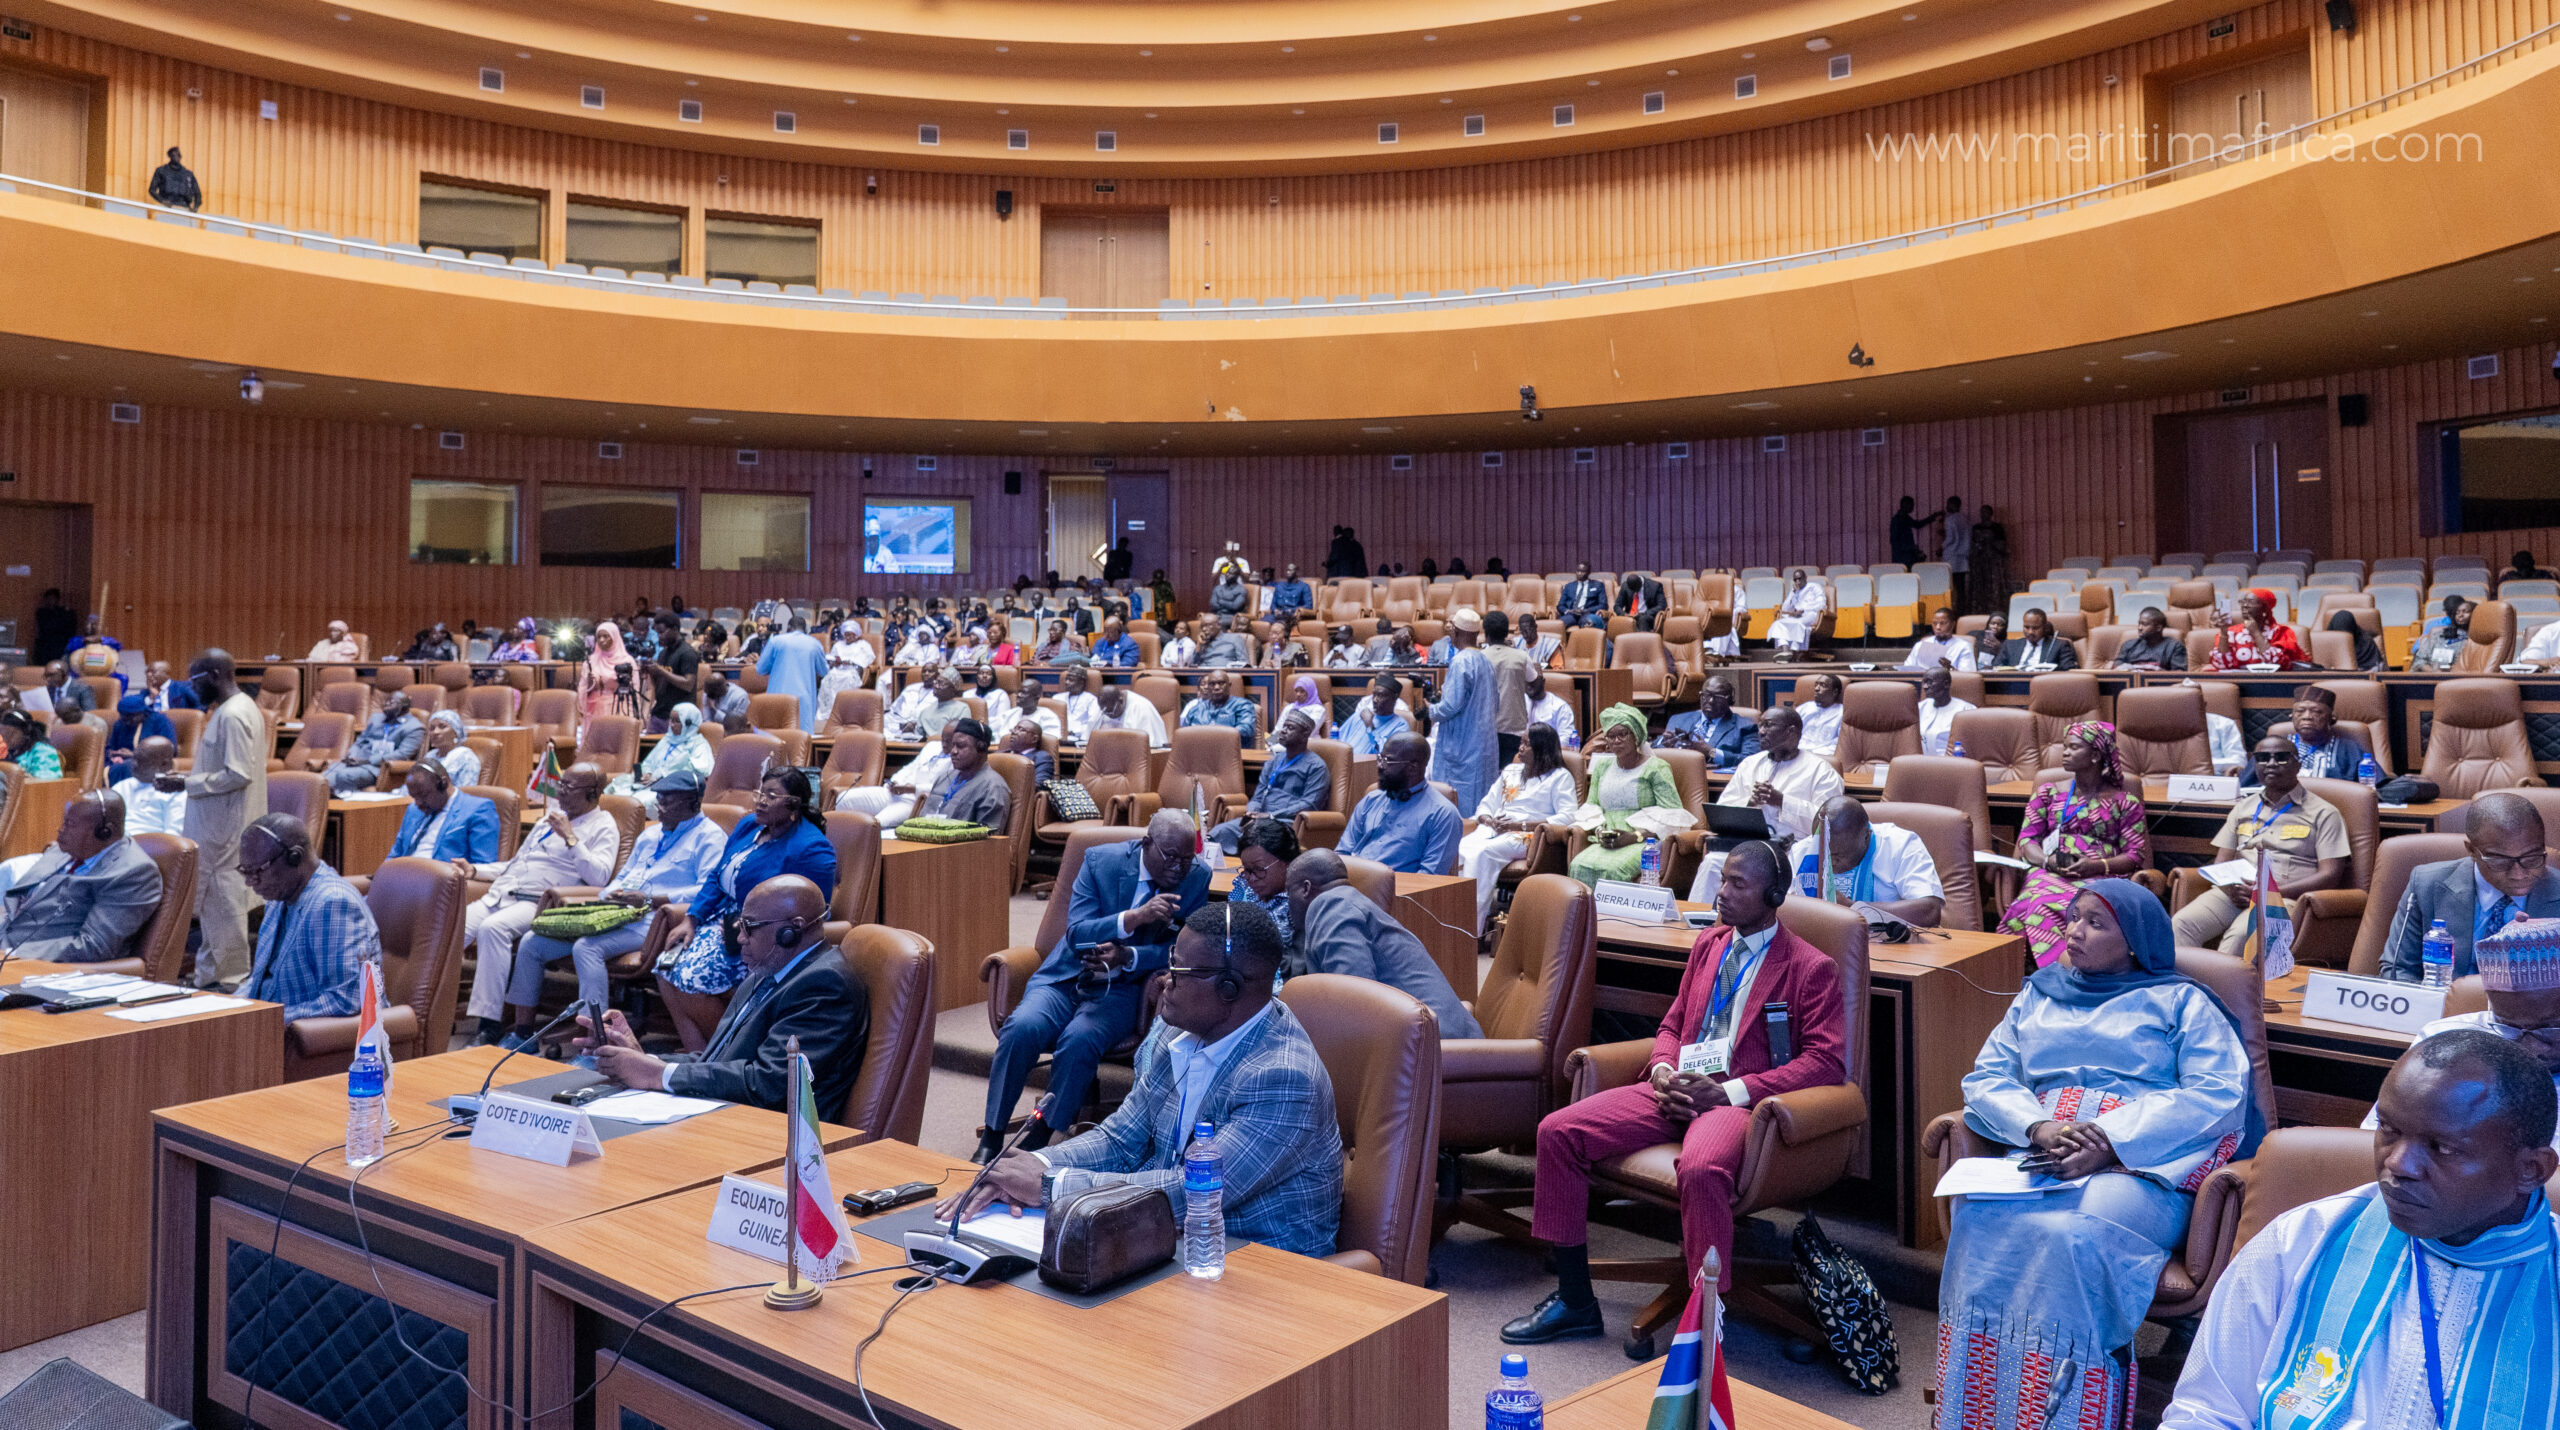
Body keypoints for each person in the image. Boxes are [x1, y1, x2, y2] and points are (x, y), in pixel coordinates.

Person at [1936, 880, 2259, 1430]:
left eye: (2093, 922)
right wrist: (2038, 1126)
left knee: (2075, 1233)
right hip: (2046, 1149)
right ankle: (1984, 1410)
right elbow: (1988, 1076)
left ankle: (2068, 1414)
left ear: (2132, 941)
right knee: (1980, 1216)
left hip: (2143, 1164)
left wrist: (2107, 1142)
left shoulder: (2182, 1000)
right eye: (2071, 917)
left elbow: (2215, 1093)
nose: (2072, 931)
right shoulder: (2039, 993)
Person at [1502, 840, 1847, 1344]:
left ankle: (1704, 1330)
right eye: (1723, 879)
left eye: (1737, 884)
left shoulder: (1809, 967)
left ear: (1773, 894)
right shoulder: (1709, 944)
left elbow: (1824, 1063)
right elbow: (1671, 1025)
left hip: (1735, 1102)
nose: (1721, 892)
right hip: (1675, 1086)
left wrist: (1728, 1093)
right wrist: (1662, 1068)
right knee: (1558, 1131)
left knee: (1703, 1168)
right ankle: (1575, 1300)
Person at [2165, 1033, 2558, 1430]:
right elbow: (2206, 1412)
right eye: (2388, 1129)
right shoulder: (2301, 1240)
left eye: (2443, 1148)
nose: (2399, 1164)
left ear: (2532, 1170)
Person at [948, 902, 1342, 1257]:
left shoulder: (1284, 1078)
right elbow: (1121, 1138)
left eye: (1179, 972)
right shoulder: (1176, 1032)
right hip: (1170, 1238)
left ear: (1229, 988)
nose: (1163, 982)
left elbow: (1192, 1191)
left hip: (1263, 1265)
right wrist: (1034, 1162)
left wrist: (1050, 1185)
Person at [979, 811, 1211, 1162]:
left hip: (1123, 987)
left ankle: (1041, 1136)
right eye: (1170, 857)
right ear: (1146, 843)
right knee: (1021, 1027)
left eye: (1186, 858)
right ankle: (993, 1136)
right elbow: (1076, 932)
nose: (1179, 868)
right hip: (1066, 976)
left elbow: (1183, 947)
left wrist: (1129, 955)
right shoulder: (1102, 860)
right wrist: (1135, 917)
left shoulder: (1196, 878)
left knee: (1080, 1039)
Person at [579, 874, 868, 1113]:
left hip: (770, 1134)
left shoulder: (823, 984)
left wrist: (657, 1075)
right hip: (728, 1111)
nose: (740, 938)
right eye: (738, 925)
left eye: (749, 927)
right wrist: (645, 1060)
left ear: (792, 930)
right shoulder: (766, 972)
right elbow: (717, 1064)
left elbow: (769, 1085)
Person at [655, 765, 840, 1048]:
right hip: (719, 921)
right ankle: (698, 1056)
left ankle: (729, 1050)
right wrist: (691, 919)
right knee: (665, 968)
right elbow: (717, 875)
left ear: (793, 805)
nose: (761, 801)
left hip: (760, 935)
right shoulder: (749, 826)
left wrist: (748, 926)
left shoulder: (810, 848)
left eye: (771, 795)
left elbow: (813, 911)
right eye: (760, 793)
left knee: (691, 979)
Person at [513, 770, 724, 1015]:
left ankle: (595, 1041)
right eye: (658, 800)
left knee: (586, 947)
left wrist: (648, 899)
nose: (660, 807)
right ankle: (521, 1031)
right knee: (532, 943)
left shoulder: (710, 838)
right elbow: (623, 877)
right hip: (618, 913)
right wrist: (611, 895)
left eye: (667, 801)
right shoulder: (650, 834)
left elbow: (707, 890)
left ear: (692, 802)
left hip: (656, 919)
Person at [455, 761, 619, 1045]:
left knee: (493, 929)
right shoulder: (548, 819)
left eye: (568, 787)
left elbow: (599, 877)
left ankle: (489, 1023)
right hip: (506, 891)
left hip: (542, 903)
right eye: (561, 785)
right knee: (452, 930)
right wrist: (476, 871)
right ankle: (431, 1013)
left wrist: (570, 837)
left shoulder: (603, 825)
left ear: (592, 793)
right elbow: (517, 864)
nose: (561, 792)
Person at [2359, 917, 2560, 1148]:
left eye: (2548, 1029)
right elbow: (2377, 1139)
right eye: (2508, 1027)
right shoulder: (2445, 1041)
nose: (2530, 1047)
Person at [2172, 737, 2353, 950]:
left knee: (2240, 936)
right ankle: (2184, 984)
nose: (2272, 763)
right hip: (2235, 893)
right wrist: (2231, 887)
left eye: (2282, 758)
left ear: (2298, 765)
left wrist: (2270, 892)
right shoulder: (2243, 808)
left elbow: (2330, 876)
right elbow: (2221, 863)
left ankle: (2223, 984)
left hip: (2284, 897)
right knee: (2179, 925)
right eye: (2263, 758)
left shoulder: (2324, 813)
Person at [1284, 849, 1482, 1037]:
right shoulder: (1352, 903)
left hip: (1436, 1053)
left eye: (1288, 892)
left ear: (1306, 888)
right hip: (1437, 1039)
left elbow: (1353, 1004)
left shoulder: (1330, 905)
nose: (1287, 903)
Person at [1996, 721, 2149, 965]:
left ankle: (2040, 971)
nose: (2064, 753)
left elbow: (2134, 855)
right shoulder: (2048, 793)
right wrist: (2048, 861)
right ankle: (2070, 970)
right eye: (2064, 747)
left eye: (2073, 748)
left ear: (2095, 755)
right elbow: (2027, 840)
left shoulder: (2125, 801)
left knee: (2037, 905)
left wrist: (2094, 866)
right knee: (2039, 897)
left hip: (2101, 875)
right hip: (2049, 871)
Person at [2379, 791, 2560, 982]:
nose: (2518, 873)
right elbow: (2398, 970)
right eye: (2499, 861)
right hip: (2446, 1008)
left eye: (2532, 858)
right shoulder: (2427, 886)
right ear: (2472, 851)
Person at [233, 813, 379, 1021]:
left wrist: (269, 1020)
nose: (250, 882)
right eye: (245, 871)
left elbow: (348, 1000)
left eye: (258, 871)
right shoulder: (279, 895)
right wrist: (229, 1010)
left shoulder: (333, 903)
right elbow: (261, 979)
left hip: (311, 1043)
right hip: (267, 1026)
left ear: (295, 857)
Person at [182, 651, 267, 986]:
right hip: (220, 823)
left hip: (223, 829)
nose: (191, 687)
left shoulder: (233, 714)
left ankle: (230, 986)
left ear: (214, 674)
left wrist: (185, 782)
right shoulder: (237, 708)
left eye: (195, 679)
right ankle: (206, 981)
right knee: (214, 914)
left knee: (223, 906)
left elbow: (237, 774)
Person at [0, 790, 163, 962]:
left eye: (70, 824)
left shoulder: (134, 873)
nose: (60, 829)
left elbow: (93, 946)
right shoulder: (68, 849)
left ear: (104, 832)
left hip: (35, 964)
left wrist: (12, 954)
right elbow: (17, 904)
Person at [1458, 725, 1578, 927]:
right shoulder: (1511, 771)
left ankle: (1472, 928)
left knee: (1483, 854)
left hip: (1528, 835)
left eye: (1527, 744)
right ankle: (1456, 918)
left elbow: (1568, 816)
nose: (1520, 748)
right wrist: (1490, 820)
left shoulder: (1559, 777)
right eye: (1521, 742)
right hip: (1494, 828)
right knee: (1460, 850)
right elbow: (1487, 805)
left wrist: (1519, 825)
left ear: (1541, 748)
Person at [1568, 704, 1683, 887]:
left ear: (1636, 736)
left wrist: (1634, 836)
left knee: (1615, 870)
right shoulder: (1602, 767)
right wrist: (1600, 832)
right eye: (1611, 736)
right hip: (1609, 840)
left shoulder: (1656, 767)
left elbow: (1673, 815)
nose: (1616, 741)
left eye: (1623, 734)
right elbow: (1592, 806)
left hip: (1644, 841)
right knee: (1578, 865)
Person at [1787, 795, 1945, 925]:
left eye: (1837, 856)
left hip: (1889, 951)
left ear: (1866, 837)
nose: (1829, 862)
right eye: (1823, 854)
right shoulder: (1805, 851)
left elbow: (1929, 910)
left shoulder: (1900, 845)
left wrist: (1853, 908)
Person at [1713, 704, 1843, 846]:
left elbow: (1829, 825)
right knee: (1711, 861)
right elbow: (1721, 813)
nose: (1761, 732)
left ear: (1791, 732)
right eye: (1760, 725)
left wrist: (1781, 801)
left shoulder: (1822, 772)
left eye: (1768, 725)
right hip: (1746, 844)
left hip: (1794, 849)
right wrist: (1749, 802)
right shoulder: (1749, 764)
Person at [1339, 733, 1464, 875]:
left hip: (1397, 892)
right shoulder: (1371, 799)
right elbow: (1342, 852)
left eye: (1388, 761)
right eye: (1380, 758)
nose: (1380, 766)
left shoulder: (1443, 814)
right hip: (1351, 884)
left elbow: (1429, 879)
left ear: (1412, 768)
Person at [1207, 710, 1327, 853]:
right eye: (1284, 726)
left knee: (1259, 839)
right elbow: (1258, 795)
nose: (1283, 731)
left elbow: (1310, 803)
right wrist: (1252, 810)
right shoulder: (1274, 761)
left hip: (1286, 821)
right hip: (1259, 818)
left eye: (1290, 728)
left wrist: (1271, 816)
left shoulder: (1316, 766)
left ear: (1305, 734)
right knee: (1218, 833)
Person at [1426, 609, 1501, 814]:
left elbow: (1450, 706)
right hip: (1482, 746)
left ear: (1456, 633)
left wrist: (1430, 709)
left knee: (1458, 808)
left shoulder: (1460, 661)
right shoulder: (1485, 660)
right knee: (1481, 807)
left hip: (1461, 748)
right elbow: (1496, 703)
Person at [385, 756, 503, 864]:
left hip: (440, 880)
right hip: (402, 876)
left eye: (424, 795)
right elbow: (395, 854)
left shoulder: (478, 809)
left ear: (444, 784)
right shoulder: (413, 810)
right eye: (414, 797)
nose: (418, 803)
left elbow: (482, 865)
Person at [2250, 684, 2369, 786]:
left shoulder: (2349, 748)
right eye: (2300, 711)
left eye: (2316, 711)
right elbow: (2245, 785)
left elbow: (2376, 786)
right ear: (2292, 716)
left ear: (2331, 717)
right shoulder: (2274, 747)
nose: (2307, 716)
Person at [914, 719, 1012, 828]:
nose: (953, 751)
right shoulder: (944, 778)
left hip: (957, 844)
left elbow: (990, 839)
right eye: (953, 745)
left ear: (981, 748)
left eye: (961, 746)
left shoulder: (993, 787)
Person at [327, 691, 425, 795]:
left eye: (391, 702)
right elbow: (360, 741)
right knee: (323, 779)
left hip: (379, 768)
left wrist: (367, 761)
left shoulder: (414, 727)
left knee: (344, 775)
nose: (386, 705)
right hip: (356, 763)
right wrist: (352, 755)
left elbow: (402, 754)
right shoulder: (376, 718)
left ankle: (347, 806)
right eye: (386, 702)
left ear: (404, 705)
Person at [1660, 674, 1758, 770]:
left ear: (1729, 699)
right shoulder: (1678, 719)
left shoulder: (1747, 726)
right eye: (1706, 695)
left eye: (1718, 697)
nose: (1710, 700)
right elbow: (1654, 749)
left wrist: (1711, 752)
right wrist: (1664, 743)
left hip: (1714, 780)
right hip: (1677, 774)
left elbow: (1751, 761)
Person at [1477, 609, 1536, 766]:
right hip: (1514, 729)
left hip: (1485, 730)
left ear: (1485, 633)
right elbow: (1535, 683)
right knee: (1512, 779)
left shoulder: (1478, 658)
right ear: (1506, 633)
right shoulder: (1522, 656)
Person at [756, 617, 828, 736]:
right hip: (804, 701)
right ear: (805, 629)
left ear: (789, 627)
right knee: (801, 741)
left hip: (777, 697)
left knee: (774, 739)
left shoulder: (776, 641)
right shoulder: (814, 644)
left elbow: (760, 669)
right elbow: (824, 671)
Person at [2211, 588, 2312, 671]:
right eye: (2243, 602)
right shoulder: (2232, 632)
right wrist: (2224, 634)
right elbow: (2221, 666)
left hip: (2273, 683)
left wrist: (2256, 633)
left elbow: (2278, 664)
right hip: (2239, 682)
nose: (2245, 606)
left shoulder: (2281, 632)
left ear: (2264, 608)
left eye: (2250, 602)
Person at [109, 738, 186, 837]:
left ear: (164, 764)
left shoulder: (176, 792)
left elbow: (174, 835)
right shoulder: (121, 786)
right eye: (134, 759)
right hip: (118, 845)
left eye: (141, 760)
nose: (134, 764)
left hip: (154, 847)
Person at [643, 612, 704, 735]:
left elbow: (688, 684)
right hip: (660, 713)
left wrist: (660, 670)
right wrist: (651, 673)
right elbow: (659, 684)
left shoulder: (687, 653)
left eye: (662, 632)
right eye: (657, 633)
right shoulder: (663, 653)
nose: (659, 636)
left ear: (675, 629)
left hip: (679, 717)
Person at [105, 693, 175, 786]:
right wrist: (113, 754)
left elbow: (169, 750)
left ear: (142, 713)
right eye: (124, 718)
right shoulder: (120, 724)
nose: (128, 721)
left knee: (128, 766)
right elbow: (112, 747)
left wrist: (134, 755)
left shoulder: (160, 721)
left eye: (131, 717)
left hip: (150, 763)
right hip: (121, 763)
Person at [1906, 665, 1974, 758]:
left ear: (1946, 684)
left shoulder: (1966, 710)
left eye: (1930, 682)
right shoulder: (1920, 707)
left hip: (1951, 766)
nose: (1925, 687)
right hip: (1921, 764)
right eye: (1924, 682)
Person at [1335, 674, 1412, 757]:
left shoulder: (1400, 726)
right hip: (1343, 763)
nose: (1375, 700)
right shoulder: (1359, 716)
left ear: (1394, 698)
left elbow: (1384, 757)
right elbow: (1336, 740)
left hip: (1369, 768)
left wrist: (1370, 726)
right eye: (1374, 695)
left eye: (1381, 695)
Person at [577, 621, 639, 721]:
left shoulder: (627, 661)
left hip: (621, 709)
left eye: (606, 636)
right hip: (596, 710)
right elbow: (582, 689)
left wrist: (633, 716)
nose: (601, 640)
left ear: (614, 637)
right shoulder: (590, 662)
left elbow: (635, 689)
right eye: (599, 637)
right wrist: (589, 685)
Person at [1179, 668, 1261, 740]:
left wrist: (1210, 736)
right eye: (1212, 684)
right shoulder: (1196, 709)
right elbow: (1184, 734)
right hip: (1199, 753)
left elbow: (1246, 730)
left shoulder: (1243, 705)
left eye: (1221, 683)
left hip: (1231, 753)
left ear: (1229, 686)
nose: (1216, 687)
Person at [1090, 683, 1169, 749]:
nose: (1109, 715)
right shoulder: (1104, 706)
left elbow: (1151, 747)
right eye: (1105, 713)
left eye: (1111, 711)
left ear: (1121, 701)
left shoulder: (1142, 708)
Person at [1996, 608, 2079, 670]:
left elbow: (2069, 672)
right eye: (2026, 627)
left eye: (2035, 628)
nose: (2030, 632)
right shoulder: (2010, 645)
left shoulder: (2060, 645)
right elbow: (1996, 668)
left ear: (2045, 627)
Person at [1766, 572, 1827, 653]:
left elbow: (1821, 604)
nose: (1798, 582)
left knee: (1798, 623)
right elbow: (1785, 608)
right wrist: (1793, 593)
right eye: (1795, 580)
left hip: (1811, 614)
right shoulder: (1795, 591)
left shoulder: (1814, 587)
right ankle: (1785, 648)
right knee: (1778, 623)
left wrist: (1803, 610)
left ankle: (1795, 649)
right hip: (1796, 616)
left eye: (1800, 579)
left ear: (1805, 578)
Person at [2410, 594, 2474, 670]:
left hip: (2461, 678)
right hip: (2432, 676)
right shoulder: (2437, 633)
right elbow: (2419, 661)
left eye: (2465, 611)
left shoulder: (2476, 640)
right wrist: (2434, 673)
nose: (2460, 615)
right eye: (2457, 612)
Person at [2112, 606, 2188, 670]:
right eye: (2139, 623)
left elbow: (2179, 674)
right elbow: (2116, 667)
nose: (2139, 628)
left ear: (2158, 628)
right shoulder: (2129, 645)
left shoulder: (2174, 646)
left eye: (2144, 624)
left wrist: (2154, 671)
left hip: (2160, 686)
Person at [1903, 607, 1978, 671]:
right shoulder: (1920, 645)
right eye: (1934, 623)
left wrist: (1950, 668)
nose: (1938, 627)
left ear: (1952, 624)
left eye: (1942, 623)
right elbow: (1907, 669)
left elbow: (1968, 676)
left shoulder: (1963, 646)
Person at [422, 709, 481, 789]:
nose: (435, 732)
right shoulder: (430, 755)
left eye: (442, 727)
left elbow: (465, 792)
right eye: (432, 728)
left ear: (456, 731)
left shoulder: (466, 757)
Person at [1523, 669, 1579, 749]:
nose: (1529, 685)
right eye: (1526, 681)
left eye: (1533, 681)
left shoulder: (1560, 707)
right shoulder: (1520, 702)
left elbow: (1566, 741)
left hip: (1548, 756)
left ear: (1543, 681)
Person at [2321, 608, 2389, 671]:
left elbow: (2378, 671)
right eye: (2340, 636)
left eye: (2347, 636)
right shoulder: (2325, 646)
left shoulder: (2367, 645)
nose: (2344, 640)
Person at [1794, 673, 1845, 757]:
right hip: (1798, 753)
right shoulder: (1803, 708)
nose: (1816, 689)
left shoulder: (1841, 713)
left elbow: (1840, 744)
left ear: (1835, 692)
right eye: (1816, 685)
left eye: (1823, 685)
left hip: (1824, 755)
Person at [0, 712, 59, 782]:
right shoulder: (6, 749)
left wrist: (20, 776)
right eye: (2, 733)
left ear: (25, 733)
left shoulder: (43, 751)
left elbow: (47, 780)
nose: (6, 738)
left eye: (11, 733)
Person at [1939, 496, 1974, 612]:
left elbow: (1950, 538)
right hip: (1962, 557)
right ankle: (1962, 610)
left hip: (1951, 556)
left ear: (1954, 505)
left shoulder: (1950, 520)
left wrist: (1941, 547)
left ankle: (1951, 611)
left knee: (1950, 586)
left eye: (1948, 504)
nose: (1946, 506)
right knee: (1961, 586)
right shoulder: (1965, 519)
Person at [1557, 562, 1608, 630]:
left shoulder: (1598, 585)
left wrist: (1586, 610)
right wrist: (1568, 611)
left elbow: (1603, 605)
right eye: (1578, 571)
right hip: (1571, 614)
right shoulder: (1568, 586)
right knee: (1559, 624)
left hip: (1587, 614)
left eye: (1583, 571)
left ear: (1589, 572)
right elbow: (1560, 605)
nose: (1579, 574)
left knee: (1588, 623)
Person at [1889, 495, 1928, 568]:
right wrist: (1911, 548)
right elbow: (1894, 540)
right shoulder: (1897, 520)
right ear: (1906, 505)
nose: (1913, 507)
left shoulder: (1905, 518)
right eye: (1912, 505)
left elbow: (1917, 524)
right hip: (1902, 558)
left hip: (1906, 556)